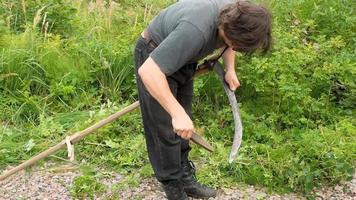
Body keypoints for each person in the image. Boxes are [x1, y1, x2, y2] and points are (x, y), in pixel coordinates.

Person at [133, 0, 272, 199]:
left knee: (184, 126)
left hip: (185, 58)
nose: (238, 48)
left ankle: (184, 178)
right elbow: (148, 71)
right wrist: (176, 112)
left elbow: (232, 42)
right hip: (155, 54)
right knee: (164, 127)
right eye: (240, 46)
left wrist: (230, 70)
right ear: (232, 33)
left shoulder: (237, 13)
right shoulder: (195, 31)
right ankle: (172, 186)